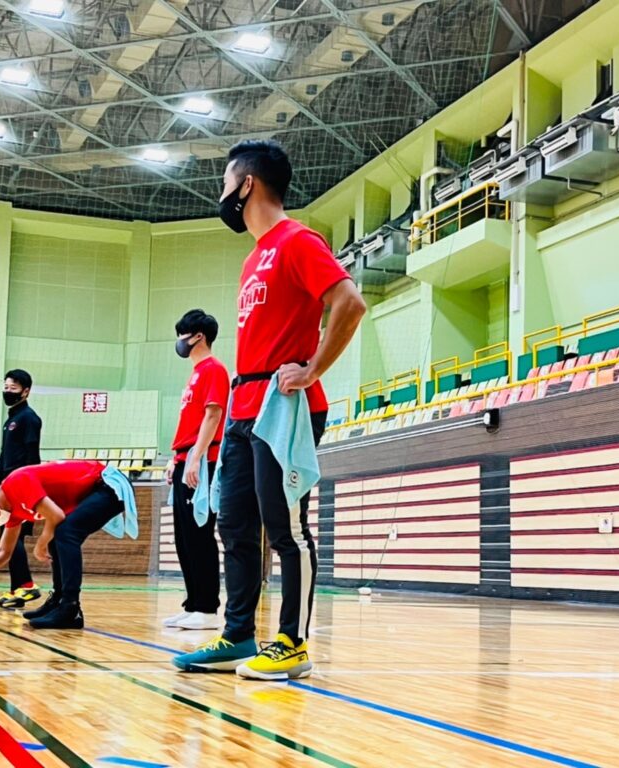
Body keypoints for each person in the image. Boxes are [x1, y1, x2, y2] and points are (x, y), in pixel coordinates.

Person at [172, 139, 366, 679]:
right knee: (234, 525)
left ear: (247, 183)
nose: (222, 193)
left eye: (225, 182)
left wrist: (313, 369)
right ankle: (237, 635)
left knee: (285, 528)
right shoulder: (253, 257)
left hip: (284, 408)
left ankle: (291, 643)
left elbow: (349, 302)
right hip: (244, 407)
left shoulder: (298, 240)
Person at [0, 460, 124, 630]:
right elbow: (3, 552)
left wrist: (41, 544)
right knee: (58, 534)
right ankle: (58, 601)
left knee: (65, 532)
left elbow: (56, 516)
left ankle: (70, 608)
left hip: (107, 485)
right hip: (96, 490)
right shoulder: (12, 510)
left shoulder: (17, 482)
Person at [163, 309, 230, 631]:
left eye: (182, 334)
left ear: (198, 336)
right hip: (184, 458)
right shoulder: (195, 373)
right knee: (184, 536)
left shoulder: (214, 369)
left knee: (199, 532)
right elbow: (189, 422)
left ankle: (207, 608)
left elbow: (213, 415)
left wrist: (195, 458)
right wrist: (175, 458)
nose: (179, 340)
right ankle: (193, 605)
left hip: (202, 461)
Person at [0, 369, 43, 610]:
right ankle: (17, 591)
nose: (7, 391)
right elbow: (4, 457)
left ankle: (26, 585)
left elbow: (33, 457)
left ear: (26, 391)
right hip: (6, 486)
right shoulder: (11, 420)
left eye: (13, 388)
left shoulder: (29, 418)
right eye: (6, 387)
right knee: (8, 537)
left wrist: (31, 489)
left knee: (11, 536)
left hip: (20, 486)